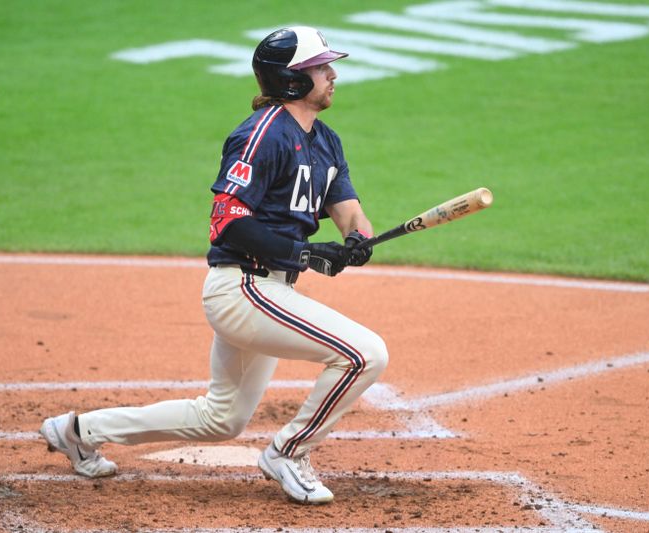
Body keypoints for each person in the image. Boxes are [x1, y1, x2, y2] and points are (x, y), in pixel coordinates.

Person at [38, 26, 388, 505]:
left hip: (271, 291)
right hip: (242, 289)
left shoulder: (325, 139)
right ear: (291, 80)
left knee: (220, 419)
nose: (332, 74)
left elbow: (346, 207)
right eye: (320, 67)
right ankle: (289, 451)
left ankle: (78, 431)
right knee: (364, 354)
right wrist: (307, 253)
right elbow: (228, 221)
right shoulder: (261, 136)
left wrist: (357, 239)